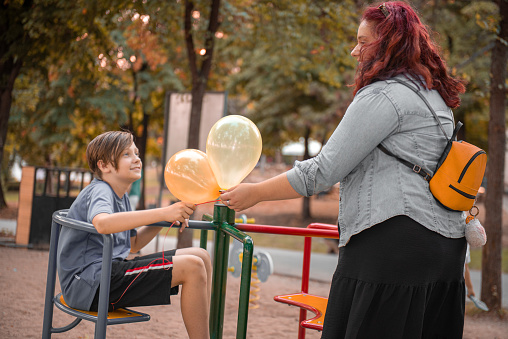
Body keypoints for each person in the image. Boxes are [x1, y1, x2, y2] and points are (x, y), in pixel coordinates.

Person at [220, 2, 468, 338]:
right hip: (444, 250)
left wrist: (254, 193)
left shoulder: (384, 95)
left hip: (391, 246)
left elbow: (322, 171)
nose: (355, 51)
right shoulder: (434, 96)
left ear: (389, 43)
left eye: (363, 42)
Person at [57, 131, 211, 339]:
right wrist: (162, 212)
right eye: (126, 154)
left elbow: (134, 244)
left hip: (104, 276)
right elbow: (102, 224)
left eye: (136, 153)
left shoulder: (122, 196)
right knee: (193, 267)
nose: (137, 158)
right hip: (91, 285)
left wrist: (165, 219)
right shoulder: (101, 190)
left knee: (201, 255)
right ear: (104, 165)